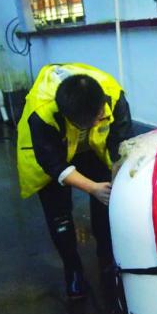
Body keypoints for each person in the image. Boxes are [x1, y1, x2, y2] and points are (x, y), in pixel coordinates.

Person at [16, 63, 132, 300]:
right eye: (90, 122)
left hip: (92, 148)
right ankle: (73, 268)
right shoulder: (42, 113)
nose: (99, 120)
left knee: (106, 198)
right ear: (69, 117)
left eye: (100, 116)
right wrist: (91, 187)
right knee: (58, 212)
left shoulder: (113, 94)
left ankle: (106, 256)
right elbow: (54, 164)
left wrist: (114, 179)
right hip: (54, 151)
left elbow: (121, 142)